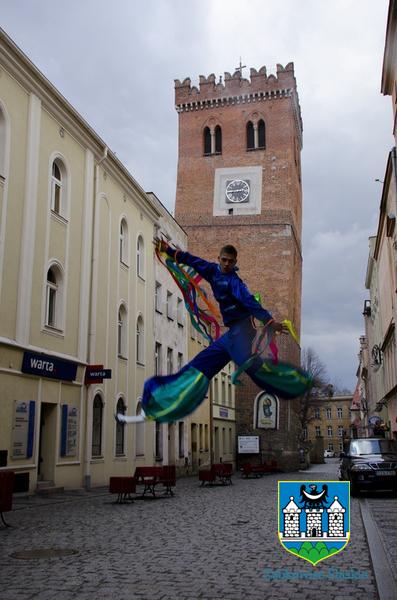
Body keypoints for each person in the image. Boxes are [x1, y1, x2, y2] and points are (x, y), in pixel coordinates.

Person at [118, 241, 311, 424]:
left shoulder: (236, 283)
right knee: (202, 365)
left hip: (243, 331)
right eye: (223, 260)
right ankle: (159, 405)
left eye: (230, 261)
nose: (226, 264)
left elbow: (250, 301)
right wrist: (168, 251)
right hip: (232, 335)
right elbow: (190, 260)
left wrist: (270, 321)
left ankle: (296, 381)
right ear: (219, 258)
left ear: (235, 262)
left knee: (253, 368)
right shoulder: (212, 270)